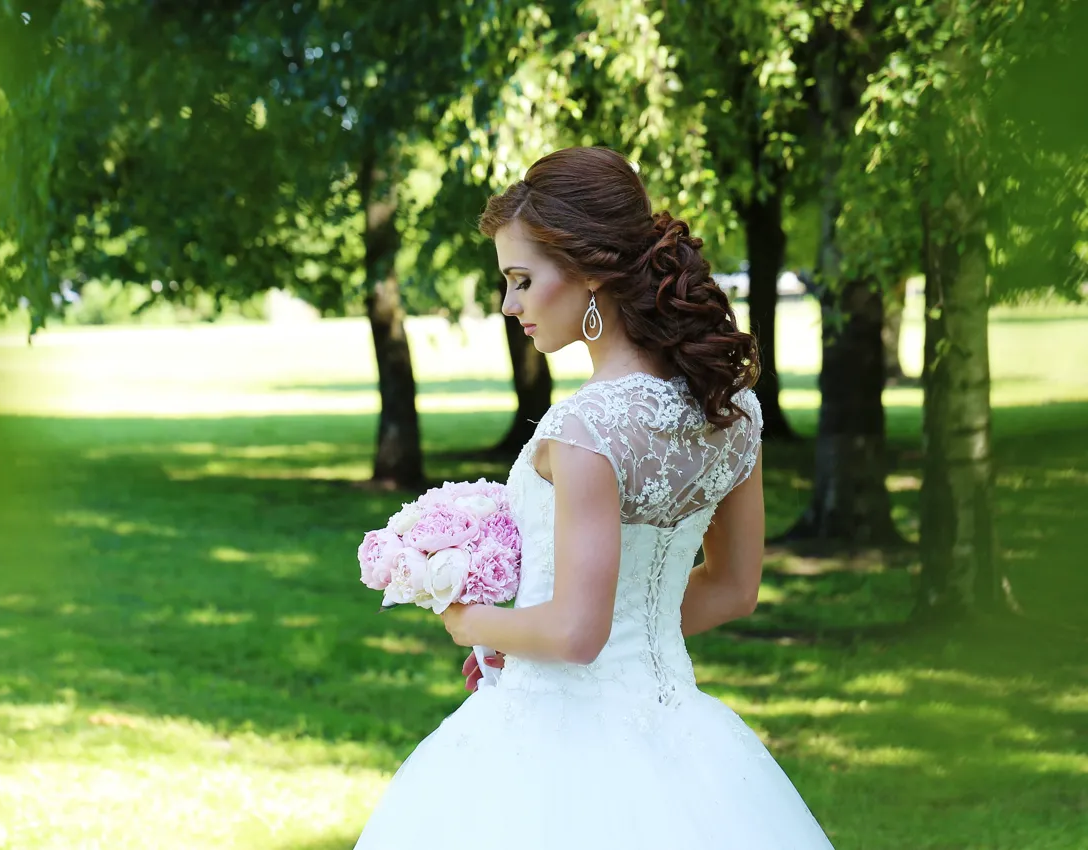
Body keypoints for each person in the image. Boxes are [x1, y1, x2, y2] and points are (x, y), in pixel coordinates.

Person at [354, 147, 835, 849]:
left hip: (552, 746)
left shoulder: (586, 429)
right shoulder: (731, 409)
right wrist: (530, 645)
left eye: (521, 280)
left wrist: (471, 624)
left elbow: (579, 633)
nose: (509, 305)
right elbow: (733, 589)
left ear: (587, 273)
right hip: (682, 733)